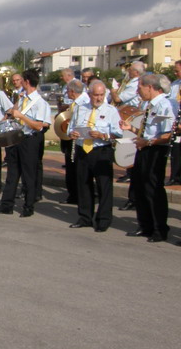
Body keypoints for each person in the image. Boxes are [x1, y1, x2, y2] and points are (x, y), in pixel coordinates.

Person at [0, 69, 50, 217]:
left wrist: (22, 116)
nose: (20, 82)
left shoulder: (40, 103)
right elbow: (13, 113)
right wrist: (16, 104)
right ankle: (6, 205)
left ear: (27, 82)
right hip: (17, 138)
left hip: (30, 139)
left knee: (28, 175)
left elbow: (39, 126)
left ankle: (28, 207)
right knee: (12, 173)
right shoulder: (23, 98)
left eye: (22, 80)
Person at [121, 73, 173, 242]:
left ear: (150, 87)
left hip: (155, 151)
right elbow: (147, 131)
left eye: (140, 88)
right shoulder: (149, 105)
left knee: (153, 189)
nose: (138, 91)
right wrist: (131, 129)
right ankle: (145, 226)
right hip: (144, 148)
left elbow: (167, 135)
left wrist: (148, 142)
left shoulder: (164, 105)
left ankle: (159, 229)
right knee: (140, 188)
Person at [67, 80, 122, 232]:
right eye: (96, 95)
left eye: (101, 95)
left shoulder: (111, 110)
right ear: (89, 94)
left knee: (104, 186)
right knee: (83, 184)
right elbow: (70, 127)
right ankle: (85, 217)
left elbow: (118, 133)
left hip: (101, 150)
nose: (99, 98)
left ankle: (103, 219)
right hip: (83, 150)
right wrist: (72, 134)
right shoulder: (80, 108)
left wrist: (103, 135)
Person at [59, 79, 85, 205]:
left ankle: (77, 195)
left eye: (68, 91)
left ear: (72, 91)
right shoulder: (75, 103)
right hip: (70, 138)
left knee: (76, 169)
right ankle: (73, 195)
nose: (67, 94)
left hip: (78, 140)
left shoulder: (84, 103)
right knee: (71, 168)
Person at [167, 60, 181, 185]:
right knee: (176, 149)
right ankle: (175, 176)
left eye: (177, 71)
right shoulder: (175, 84)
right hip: (176, 119)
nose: (175, 73)